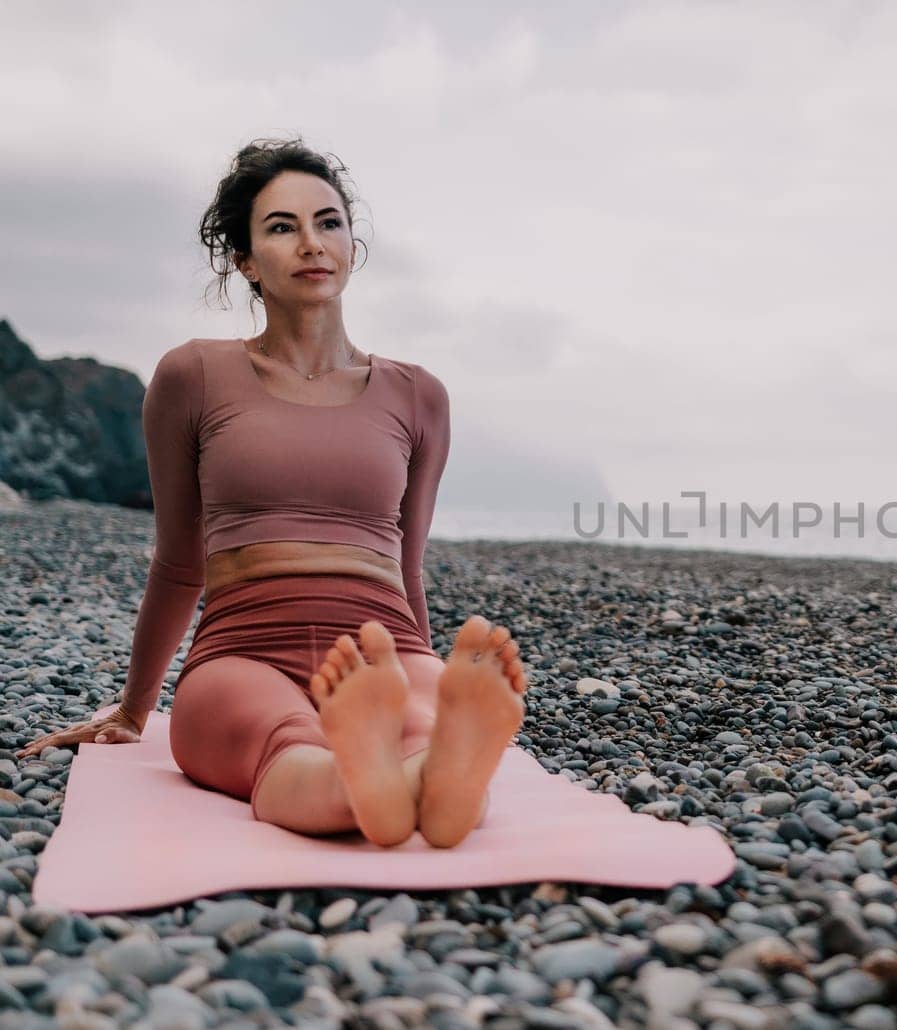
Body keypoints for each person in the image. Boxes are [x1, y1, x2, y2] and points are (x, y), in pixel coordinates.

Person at [18, 136, 529, 850]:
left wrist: (422, 654)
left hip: (382, 641)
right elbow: (177, 562)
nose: (311, 243)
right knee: (282, 742)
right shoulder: (193, 376)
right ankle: (378, 775)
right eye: (282, 227)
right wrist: (134, 709)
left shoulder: (420, 396)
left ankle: (417, 770)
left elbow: (406, 563)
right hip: (244, 649)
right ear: (247, 261)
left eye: (328, 222)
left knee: (428, 733)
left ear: (353, 244)